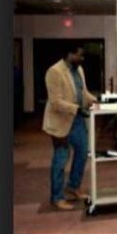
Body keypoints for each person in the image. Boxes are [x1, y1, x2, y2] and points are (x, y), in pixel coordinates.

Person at [42, 42, 97, 210]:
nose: (82, 58)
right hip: (60, 121)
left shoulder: (78, 70)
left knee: (82, 152)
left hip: (77, 120)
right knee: (61, 158)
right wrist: (77, 109)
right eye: (79, 55)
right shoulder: (54, 72)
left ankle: (73, 187)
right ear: (69, 54)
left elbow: (83, 92)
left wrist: (96, 100)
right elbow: (55, 101)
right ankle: (57, 197)